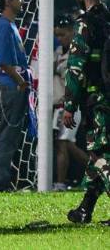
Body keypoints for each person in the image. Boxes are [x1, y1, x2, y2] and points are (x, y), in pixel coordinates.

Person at [64, 0, 110, 225]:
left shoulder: (85, 24)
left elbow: (76, 68)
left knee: (99, 153)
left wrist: (69, 104)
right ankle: (85, 209)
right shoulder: (108, 19)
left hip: (96, 101)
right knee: (99, 155)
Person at [0, 0, 31, 192]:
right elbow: (3, 61)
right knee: (6, 136)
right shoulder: (3, 25)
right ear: (7, 1)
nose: (21, 1)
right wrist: (20, 81)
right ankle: (0, 183)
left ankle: (5, 179)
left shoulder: (10, 25)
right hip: (10, 87)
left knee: (11, 135)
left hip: (14, 86)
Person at [53, 15, 89, 190]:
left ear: (72, 32)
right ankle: (61, 182)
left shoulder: (77, 53)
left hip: (72, 105)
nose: (60, 38)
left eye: (63, 34)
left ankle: (97, 169)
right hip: (61, 105)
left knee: (65, 143)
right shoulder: (57, 52)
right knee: (63, 143)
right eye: (57, 35)